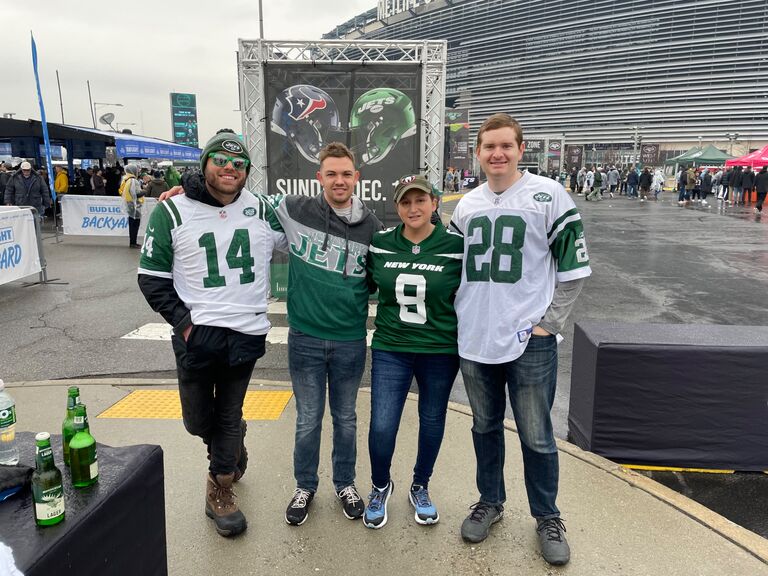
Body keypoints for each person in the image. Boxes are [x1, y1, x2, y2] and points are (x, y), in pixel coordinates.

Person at [449, 113, 591, 566]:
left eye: (506, 145)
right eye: (489, 146)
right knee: (484, 427)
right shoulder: (466, 205)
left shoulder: (548, 195)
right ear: (478, 152)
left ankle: (547, 515)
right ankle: (490, 501)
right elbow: (453, 272)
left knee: (537, 434)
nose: (497, 154)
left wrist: (550, 323)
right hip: (476, 338)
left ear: (520, 148)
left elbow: (572, 272)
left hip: (529, 337)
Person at [137, 131, 288, 537]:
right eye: (221, 160)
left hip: (246, 333)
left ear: (247, 173)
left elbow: (303, 236)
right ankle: (231, 441)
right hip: (196, 333)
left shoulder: (262, 208)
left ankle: (219, 487)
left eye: (239, 165)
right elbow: (151, 279)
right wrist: (185, 325)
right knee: (197, 420)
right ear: (205, 164)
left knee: (228, 411)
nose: (230, 169)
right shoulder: (172, 211)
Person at [363, 174, 463, 529]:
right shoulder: (380, 244)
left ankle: (420, 485)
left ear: (435, 203)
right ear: (397, 207)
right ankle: (380, 485)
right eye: (406, 202)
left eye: (421, 200)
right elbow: (364, 285)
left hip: (440, 348)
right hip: (393, 346)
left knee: (433, 419)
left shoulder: (456, 245)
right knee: (382, 424)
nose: (413, 207)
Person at [119, 164, 144, 248]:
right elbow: (136, 194)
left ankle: (132, 242)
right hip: (135, 205)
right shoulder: (134, 181)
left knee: (131, 223)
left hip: (129, 204)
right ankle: (133, 243)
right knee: (135, 224)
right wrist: (145, 191)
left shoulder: (125, 179)